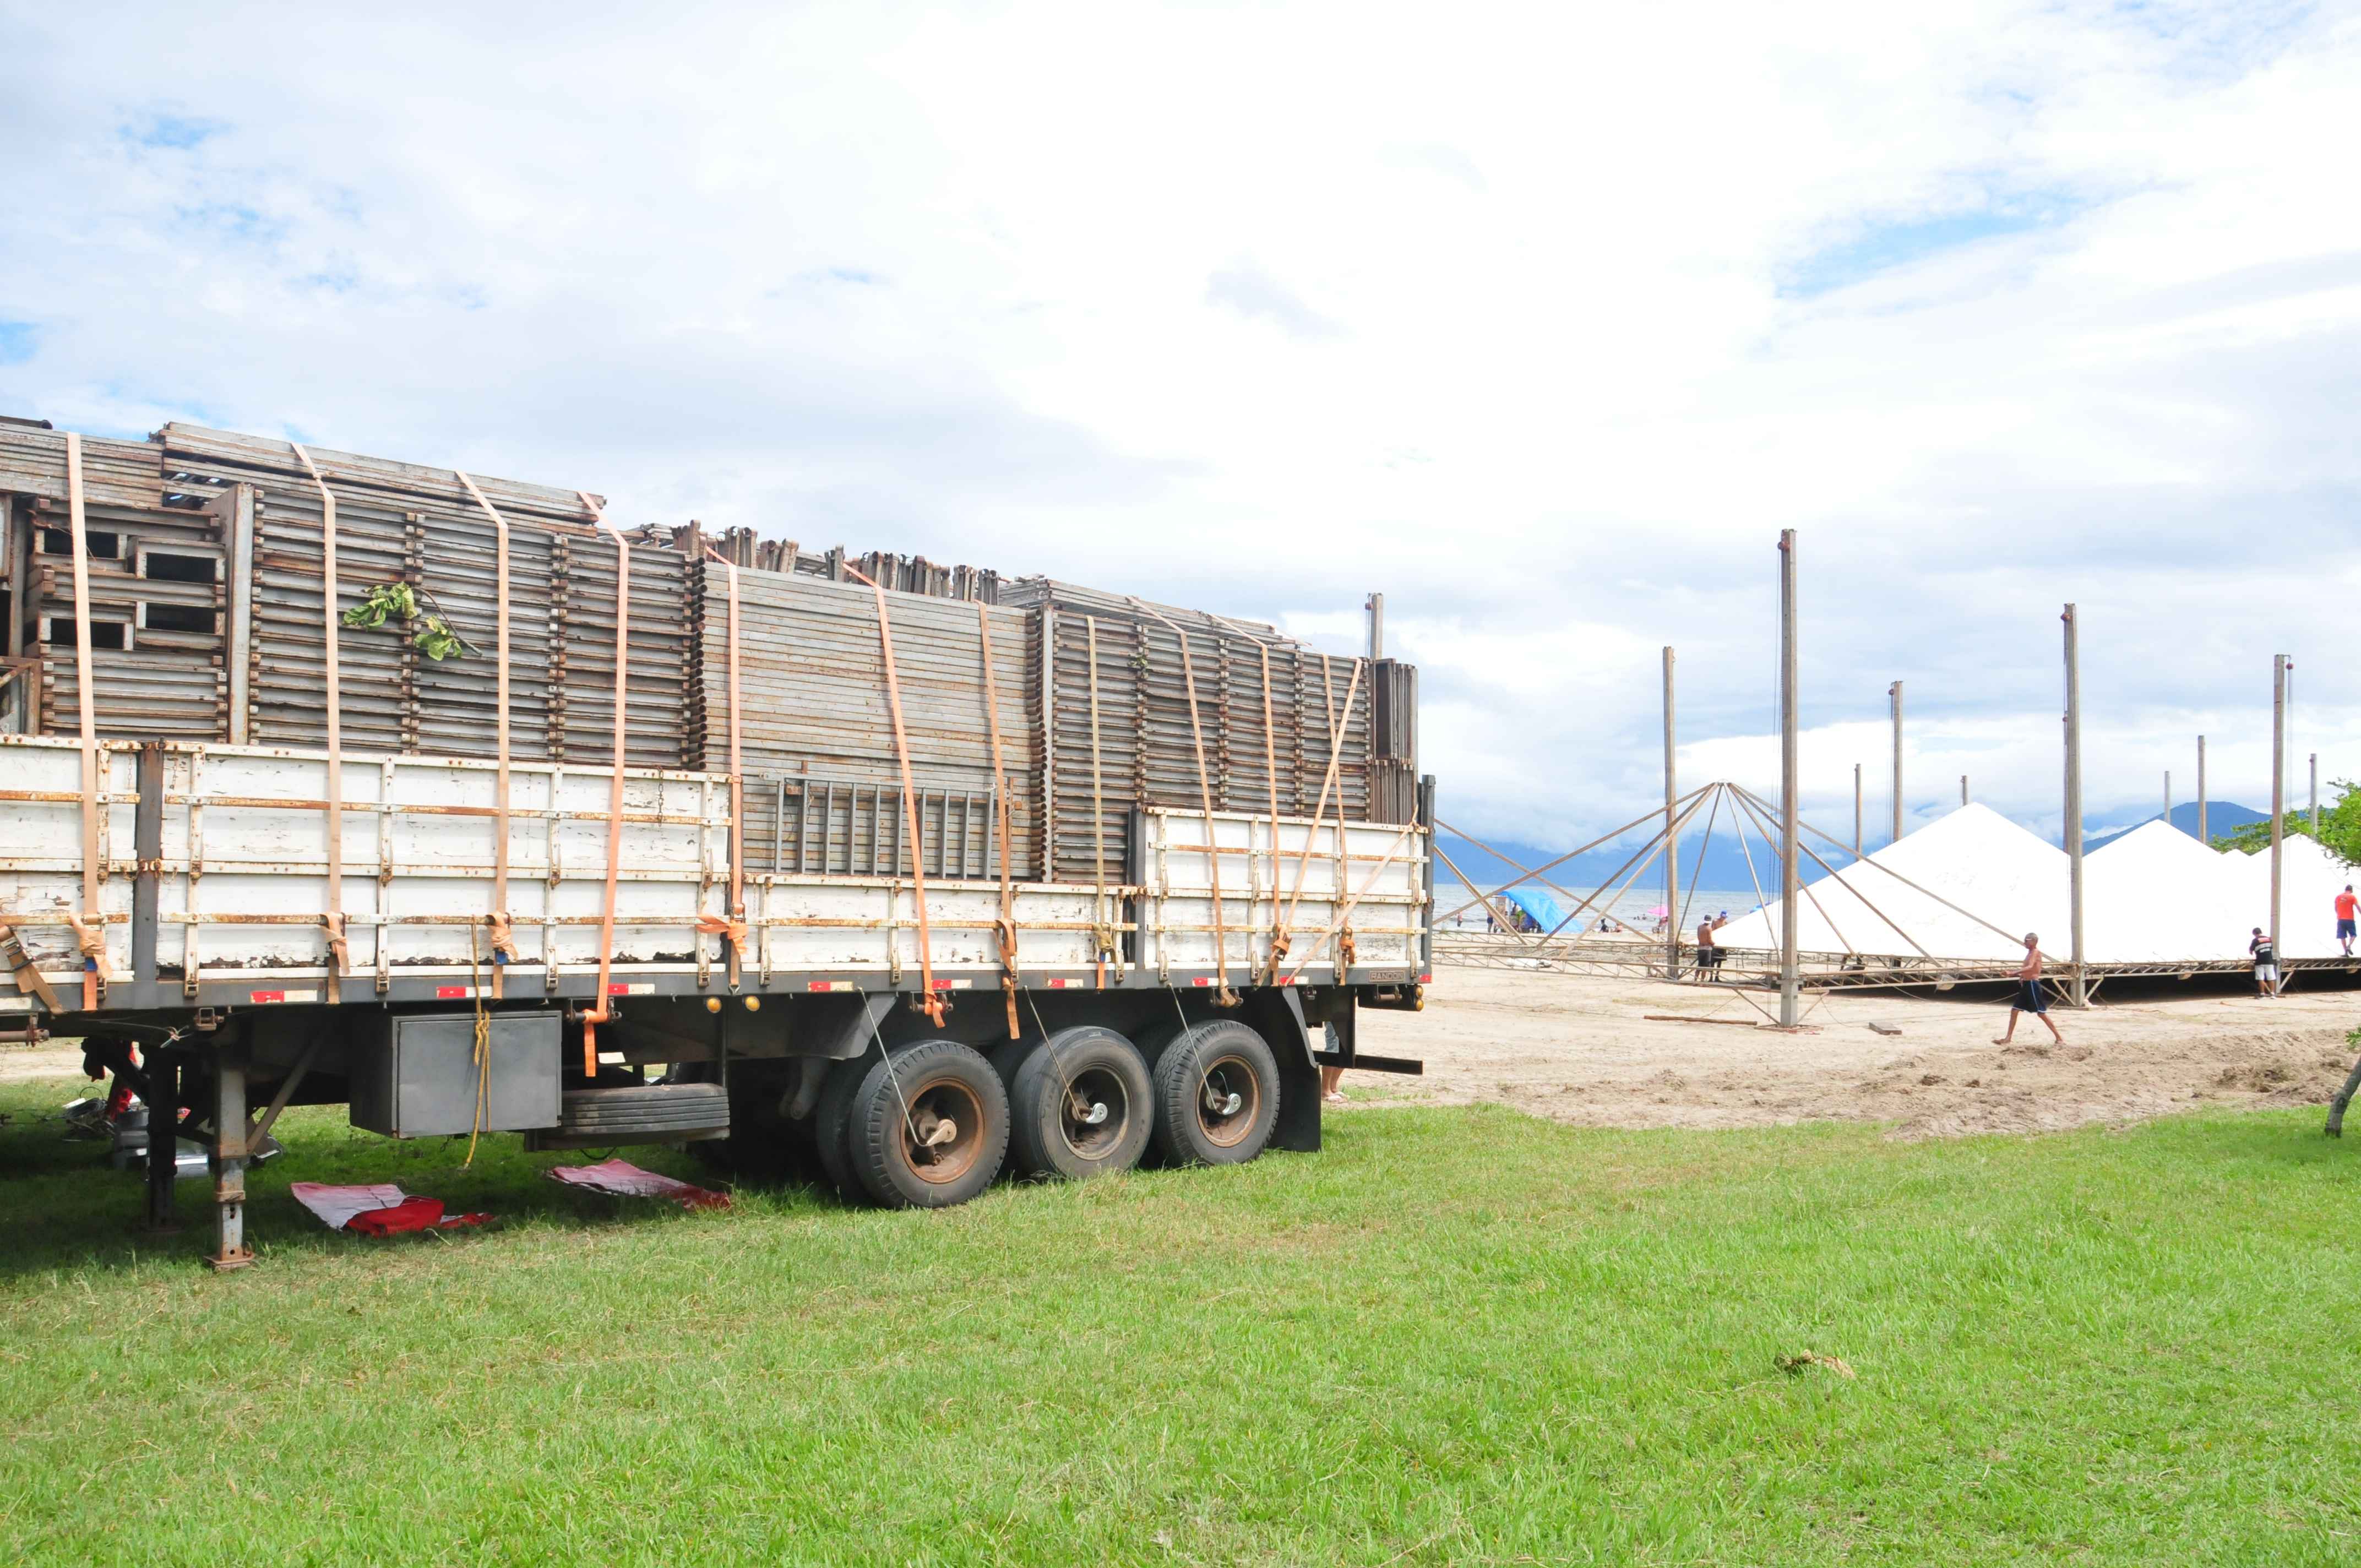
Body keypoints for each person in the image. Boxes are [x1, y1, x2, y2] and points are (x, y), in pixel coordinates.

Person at [1993, 933, 2063, 1046]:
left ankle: (2059, 1038)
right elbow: (2030, 969)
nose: (2025, 942)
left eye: (2027, 940)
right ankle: (2008, 1038)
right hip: (2026, 984)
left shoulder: (2035, 952)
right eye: (2025, 940)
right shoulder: (2029, 953)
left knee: (2041, 1013)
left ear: (2034, 941)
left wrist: (2012, 973)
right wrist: (2021, 976)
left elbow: (2031, 967)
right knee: (2015, 1010)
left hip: (2032, 985)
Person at [2250, 927, 2278, 998]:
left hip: (2260, 962)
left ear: (2255, 934)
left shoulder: (2255, 940)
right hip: (2269, 961)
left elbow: (2251, 951)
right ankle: (2272, 994)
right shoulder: (2269, 939)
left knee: (2261, 978)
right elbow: (2270, 949)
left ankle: (2263, 994)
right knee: (2271, 977)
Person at [2338, 885, 2357, 958]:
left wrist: (2340, 915)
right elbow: (2358, 907)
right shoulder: (2352, 897)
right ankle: (2349, 946)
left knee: (2342, 936)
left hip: (2340, 920)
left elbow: (2336, 908)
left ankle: (2346, 953)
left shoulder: (2338, 897)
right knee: (2353, 935)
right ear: (2351, 890)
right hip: (2350, 919)